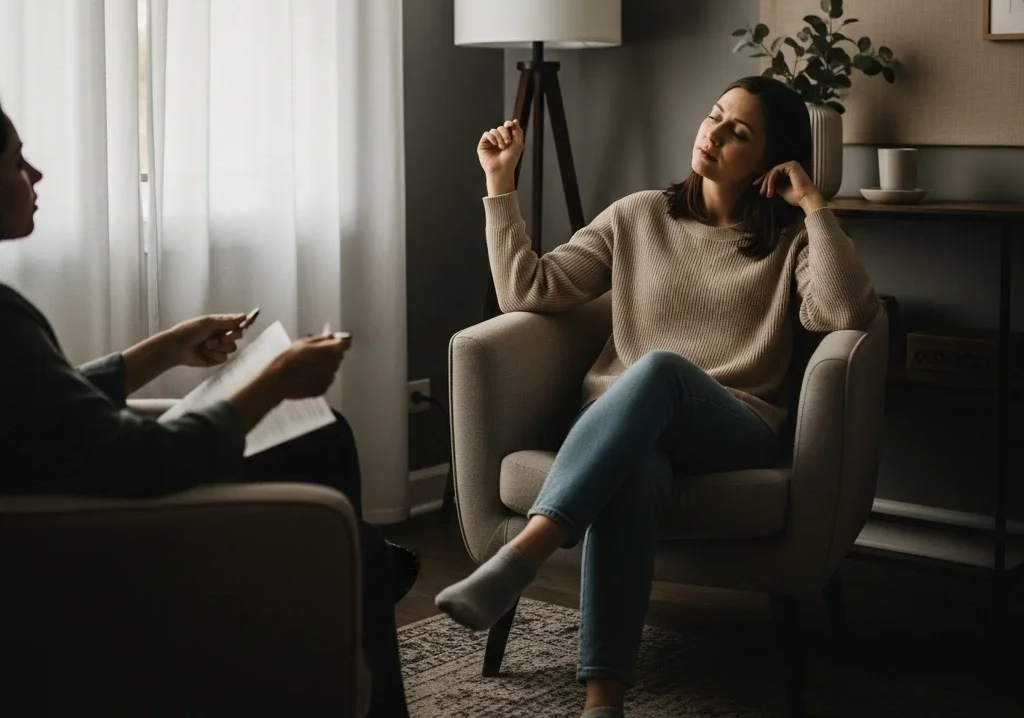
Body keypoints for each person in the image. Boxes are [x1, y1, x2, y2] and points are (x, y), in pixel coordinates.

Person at [436, 75, 879, 717]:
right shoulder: (638, 215)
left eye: (740, 133)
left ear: (770, 159)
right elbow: (528, 293)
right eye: (715, 115)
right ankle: (603, 701)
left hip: (732, 427)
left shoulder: (791, 242)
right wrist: (499, 183)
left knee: (660, 370)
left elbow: (846, 310)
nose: (714, 134)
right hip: (626, 425)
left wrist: (812, 204)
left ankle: (522, 555)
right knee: (635, 470)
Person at [0, 102, 412, 718]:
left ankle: (365, 568)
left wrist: (164, 349)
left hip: (74, 495)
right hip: (96, 539)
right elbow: (144, 463)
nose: (35, 175)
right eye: (14, 161)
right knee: (326, 459)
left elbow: (45, 406)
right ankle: (367, 572)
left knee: (323, 436)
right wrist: (272, 382)